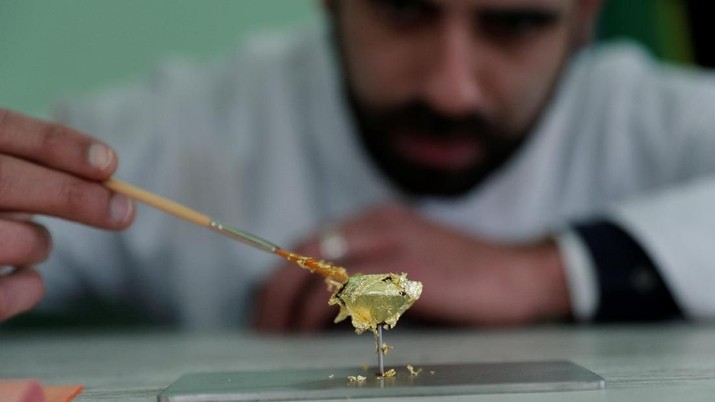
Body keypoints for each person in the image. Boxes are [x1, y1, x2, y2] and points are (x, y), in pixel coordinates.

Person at [1, 0, 713, 330]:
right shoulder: (191, 125)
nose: (450, 87)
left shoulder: (639, 115)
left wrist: (539, 272)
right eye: (403, 11)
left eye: (514, 24)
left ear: (586, 13)